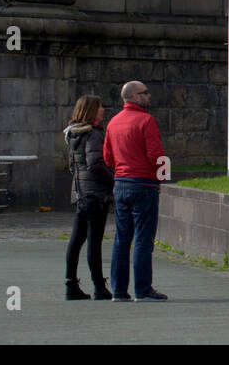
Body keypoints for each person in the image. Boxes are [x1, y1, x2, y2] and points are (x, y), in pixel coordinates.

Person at [104, 81, 167, 302]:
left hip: (121, 183)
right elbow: (155, 154)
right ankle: (143, 289)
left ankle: (119, 291)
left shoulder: (113, 122)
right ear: (135, 97)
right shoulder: (146, 121)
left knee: (121, 239)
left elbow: (108, 157)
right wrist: (163, 175)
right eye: (145, 93)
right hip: (143, 183)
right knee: (143, 239)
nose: (149, 96)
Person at [63, 95, 113, 300]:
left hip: (81, 192)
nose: (103, 110)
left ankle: (71, 284)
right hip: (95, 194)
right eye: (100, 107)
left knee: (77, 240)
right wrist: (114, 181)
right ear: (92, 111)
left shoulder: (74, 134)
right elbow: (95, 163)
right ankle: (99, 286)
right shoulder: (93, 134)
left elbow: (72, 165)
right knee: (94, 241)